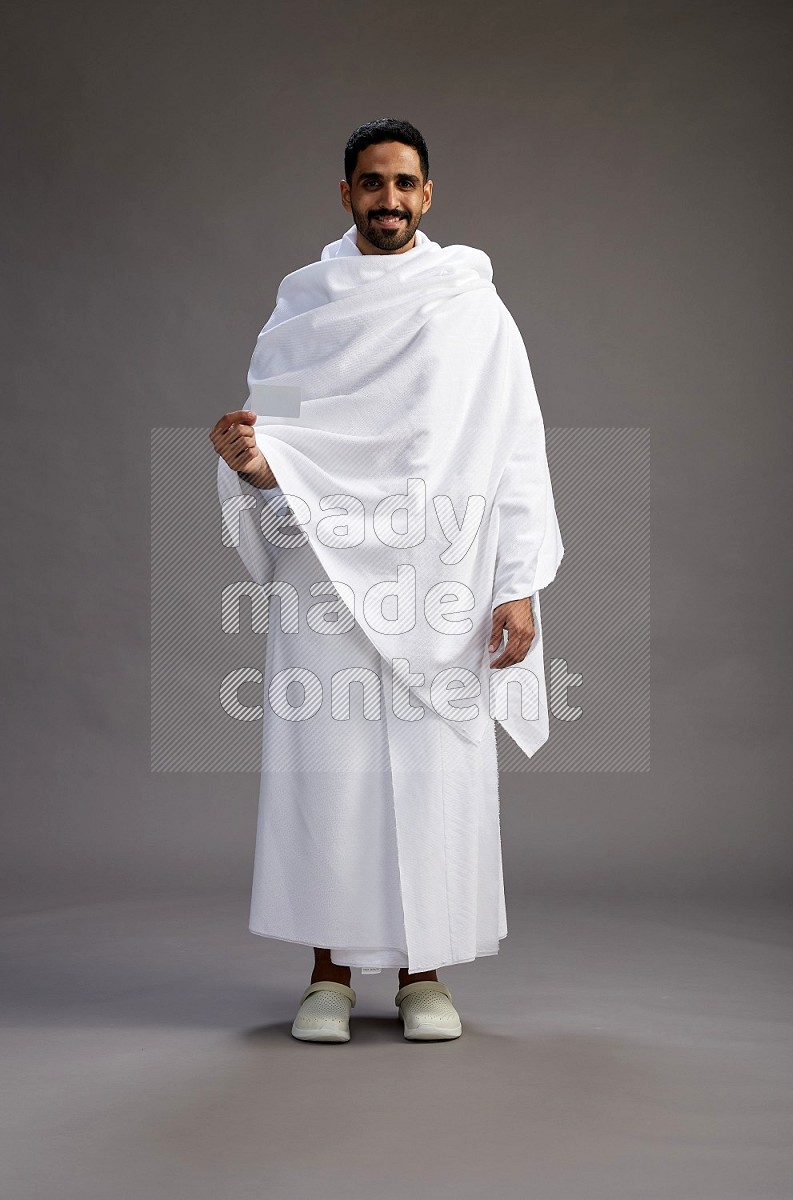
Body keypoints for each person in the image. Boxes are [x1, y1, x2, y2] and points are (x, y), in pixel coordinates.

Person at [210, 118, 564, 1043]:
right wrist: (251, 466)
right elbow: (278, 435)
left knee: (431, 769)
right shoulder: (306, 306)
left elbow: (514, 446)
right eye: (373, 184)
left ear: (429, 195)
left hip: (439, 572)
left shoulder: (470, 305)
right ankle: (326, 975)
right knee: (328, 768)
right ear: (346, 195)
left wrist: (518, 582)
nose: (390, 201)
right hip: (322, 566)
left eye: (406, 184)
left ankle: (423, 976)